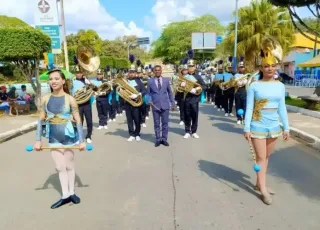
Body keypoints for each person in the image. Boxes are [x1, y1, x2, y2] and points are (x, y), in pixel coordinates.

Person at [243, 38, 290, 205]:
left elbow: (282, 108)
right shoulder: (255, 86)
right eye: (266, 66)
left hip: (273, 126)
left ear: (276, 67)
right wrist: (246, 128)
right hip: (257, 125)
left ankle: (258, 183)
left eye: (272, 66)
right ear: (261, 68)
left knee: (267, 156)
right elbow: (249, 108)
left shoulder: (280, 86)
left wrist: (286, 127)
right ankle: (263, 189)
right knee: (261, 158)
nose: (269, 68)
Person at [33, 69, 86, 209]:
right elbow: (40, 121)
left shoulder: (70, 99)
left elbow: (78, 120)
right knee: (59, 167)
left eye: (56, 78)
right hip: (53, 136)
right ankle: (65, 195)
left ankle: (72, 193)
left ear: (63, 81)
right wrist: (38, 140)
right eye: (51, 79)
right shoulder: (45, 99)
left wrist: (82, 140)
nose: (53, 81)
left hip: (68, 137)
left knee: (69, 166)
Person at [147, 65, 175, 147]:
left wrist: (173, 103)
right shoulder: (150, 81)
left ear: (161, 71)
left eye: (159, 70)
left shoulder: (166, 80)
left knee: (165, 123)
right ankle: (158, 139)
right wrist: (148, 100)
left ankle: (164, 139)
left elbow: (170, 92)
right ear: (153, 71)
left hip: (165, 105)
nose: (157, 71)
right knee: (156, 124)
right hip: (155, 105)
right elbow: (148, 93)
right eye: (155, 70)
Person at [180, 51, 207, 139]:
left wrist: (197, 89)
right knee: (187, 115)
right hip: (187, 98)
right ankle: (187, 131)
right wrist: (182, 85)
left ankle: (194, 131)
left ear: (195, 67)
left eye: (192, 66)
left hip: (195, 99)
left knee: (195, 115)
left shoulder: (198, 77)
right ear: (187, 67)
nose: (190, 68)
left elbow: (204, 86)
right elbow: (179, 88)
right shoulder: (184, 76)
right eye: (189, 66)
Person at [71, 66, 97, 144]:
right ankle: (79, 137)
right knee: (79, 121)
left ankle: (88, 136)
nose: (78, 74)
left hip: (86, 104)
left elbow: (96, 89)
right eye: (77, 73)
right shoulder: (72, 81)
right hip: (77, 104)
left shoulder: (87, 81)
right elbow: (70, 92)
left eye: (80, 73)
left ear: (82, 73)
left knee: (89, 120)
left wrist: (89, 83)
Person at [124, 55, 146, 142]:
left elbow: (144, 91)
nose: (131, 74)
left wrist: (138, 95)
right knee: (129, 120)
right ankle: (131, 134)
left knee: (137, 120)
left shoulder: (139, 81)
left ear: (135, 73)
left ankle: (137, 133)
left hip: (136, 104)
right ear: (129, 73)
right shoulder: (126, 81)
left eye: (133, 72)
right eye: (130, 72)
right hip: (128, 103)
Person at [234, 56, 247, 125]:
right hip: (238, 92)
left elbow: (248, 82)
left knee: (245, 106)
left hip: (245, 92)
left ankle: (244, 118)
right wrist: (240, 82)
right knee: (238, 106)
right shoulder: (236, 75)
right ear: (238, 68)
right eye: (240, 67)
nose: (242, 68)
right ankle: (239, 118)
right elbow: (236, 83)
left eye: (243, 67)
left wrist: (245, 81)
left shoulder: (247, 75)